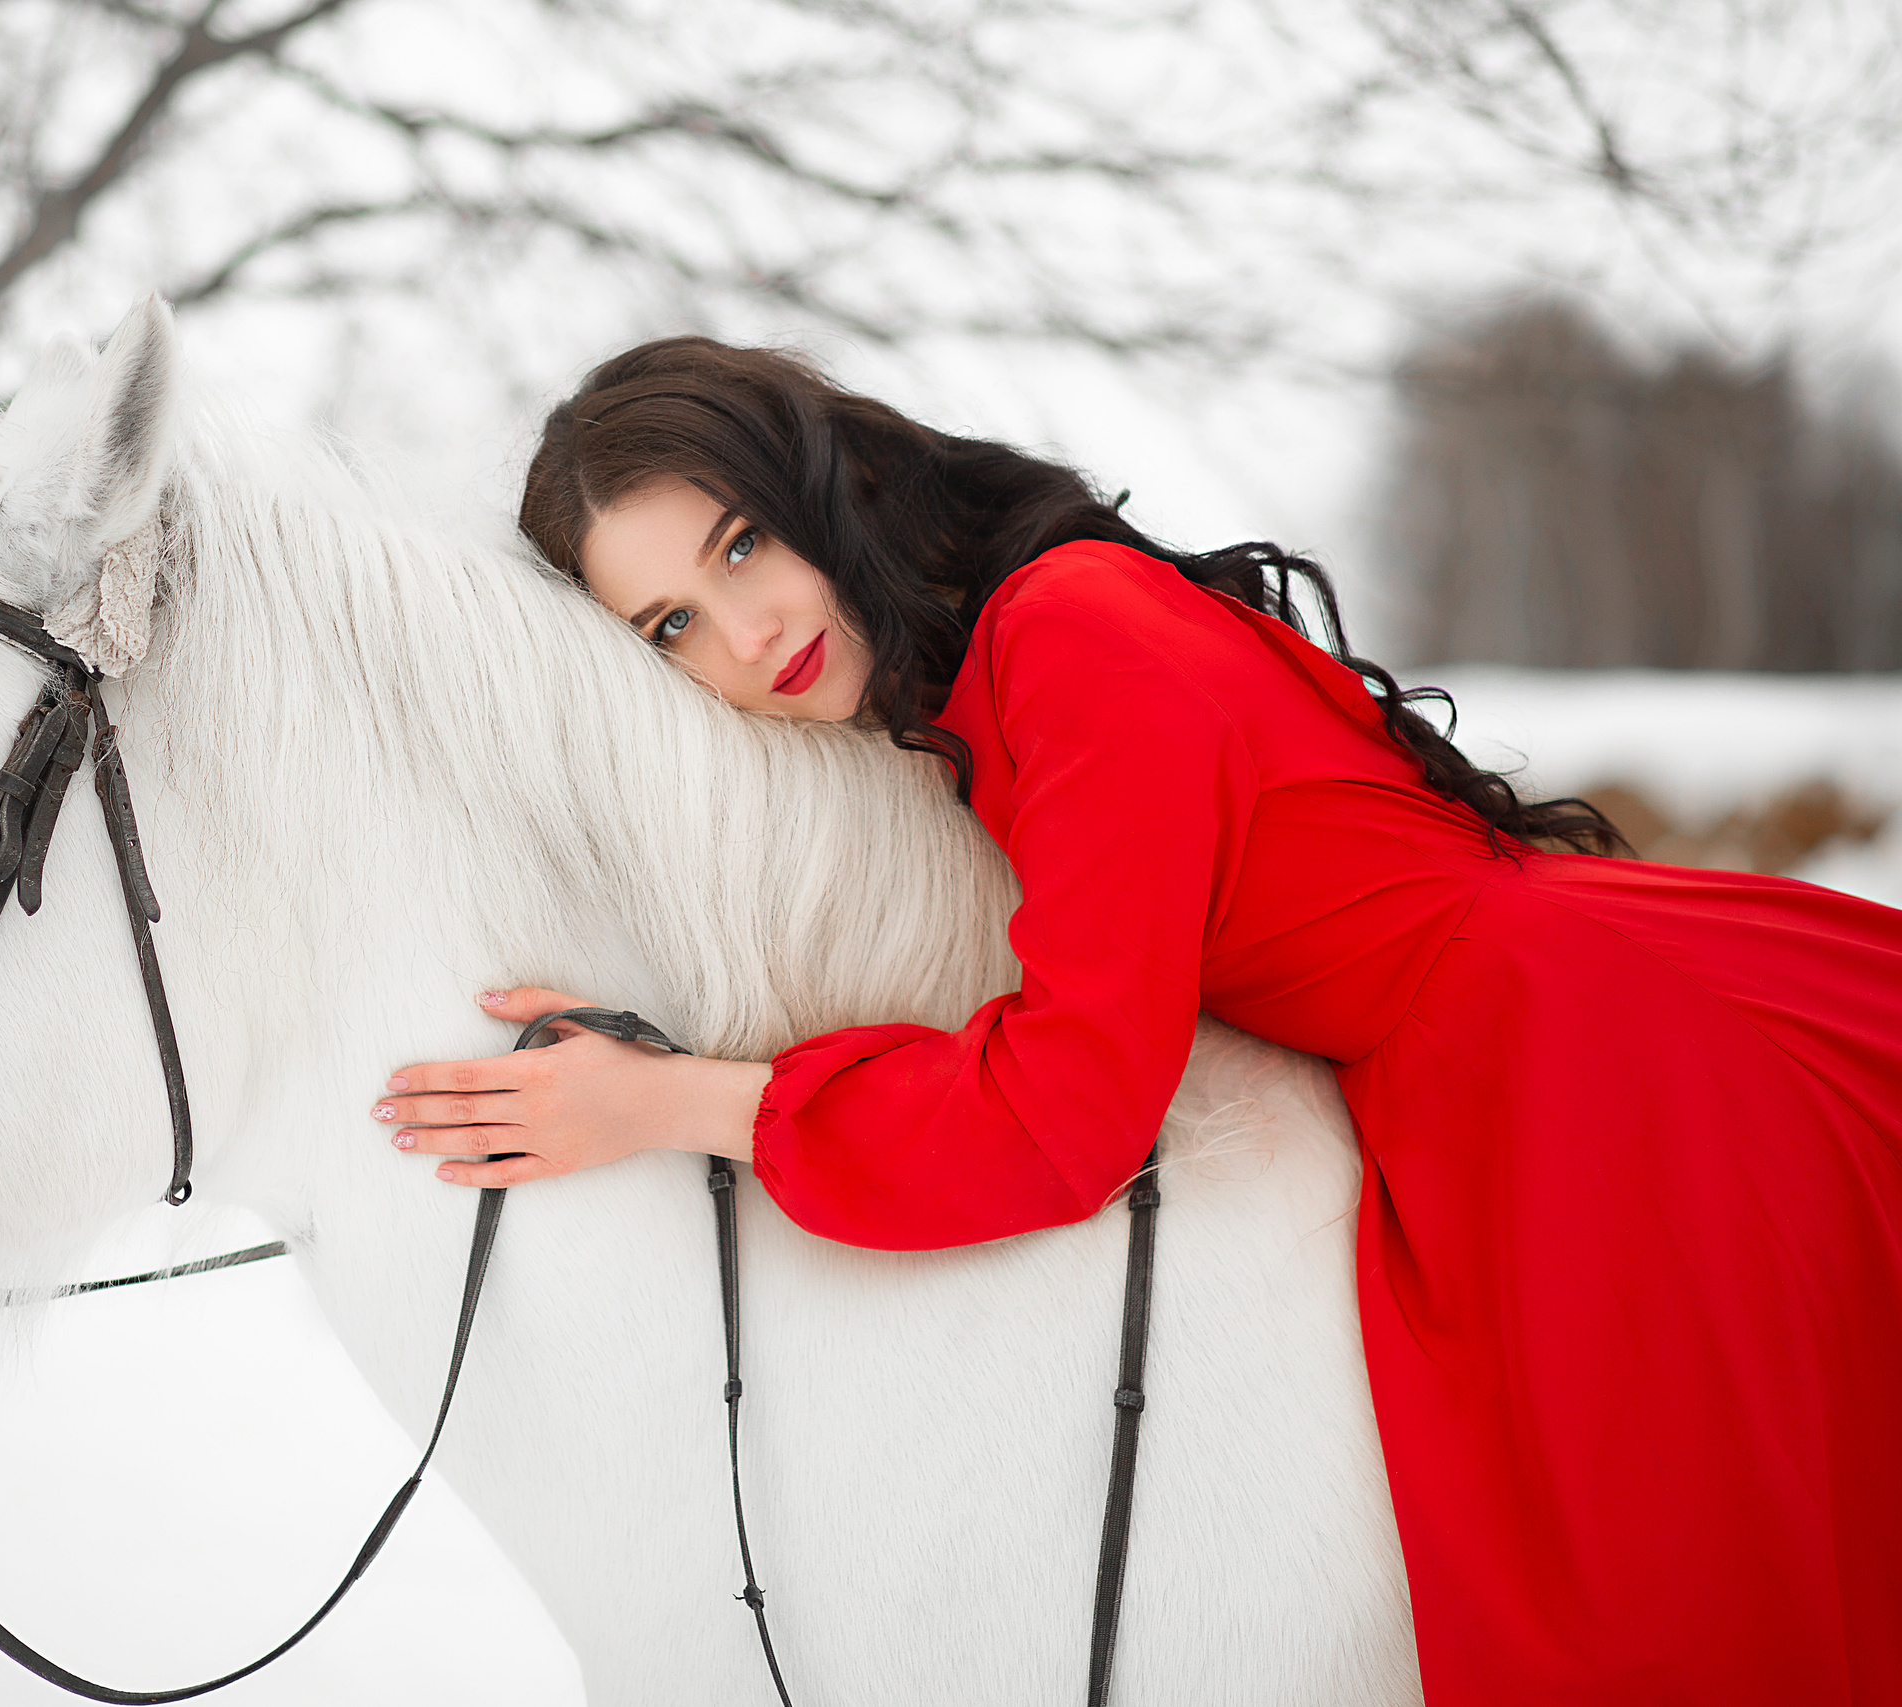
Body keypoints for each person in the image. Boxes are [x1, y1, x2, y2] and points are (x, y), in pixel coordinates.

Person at [365, 336, 1902, 1703]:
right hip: (1520, 1044)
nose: (746, 634)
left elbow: (1065, 1115)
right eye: (671, 629)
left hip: (1605, 1066)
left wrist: (678, 1104)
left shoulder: (1069, 636)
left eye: (743, 543)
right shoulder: (982, 673)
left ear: (817, 481)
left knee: (1672, 1612)